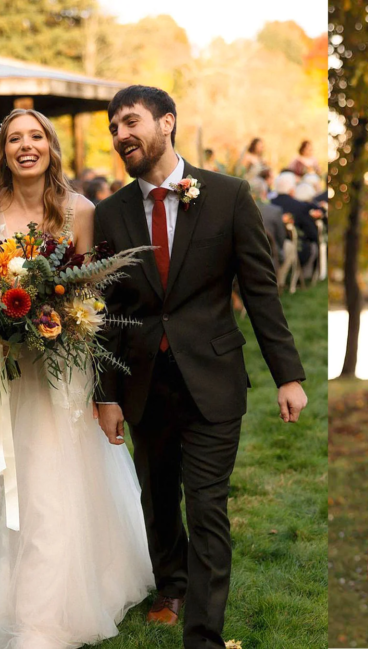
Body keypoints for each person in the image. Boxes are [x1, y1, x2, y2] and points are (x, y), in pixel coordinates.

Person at [0, 108, 154, 649]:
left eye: (35, 136)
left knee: (46, 478)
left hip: (56, 368)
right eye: (14, 138)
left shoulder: (79, 210)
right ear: (3, 150)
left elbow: (90, 294)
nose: (26, 146)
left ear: (50, 145)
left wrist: (56, 321)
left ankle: (41, 608)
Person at [93, 85, 308, 649]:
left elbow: (261, 290)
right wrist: (106, 394)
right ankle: (172, 586)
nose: (120, 136)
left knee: (208, 506)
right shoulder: (111, 213)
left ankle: (204, 637)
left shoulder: (228, 195)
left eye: (130, 122)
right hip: (142, 383)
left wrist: (288, 375)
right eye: (113, 127)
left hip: (212, 379)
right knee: (158, 497)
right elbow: (109, 314)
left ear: (167, 123)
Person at [271, 172, 320, 273]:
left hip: (271, 246)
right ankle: (303, 276)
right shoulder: (300, 206)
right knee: (313, 246)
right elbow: (311, 233)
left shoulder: (270, 203)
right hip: (297, 249)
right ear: (292, 189)